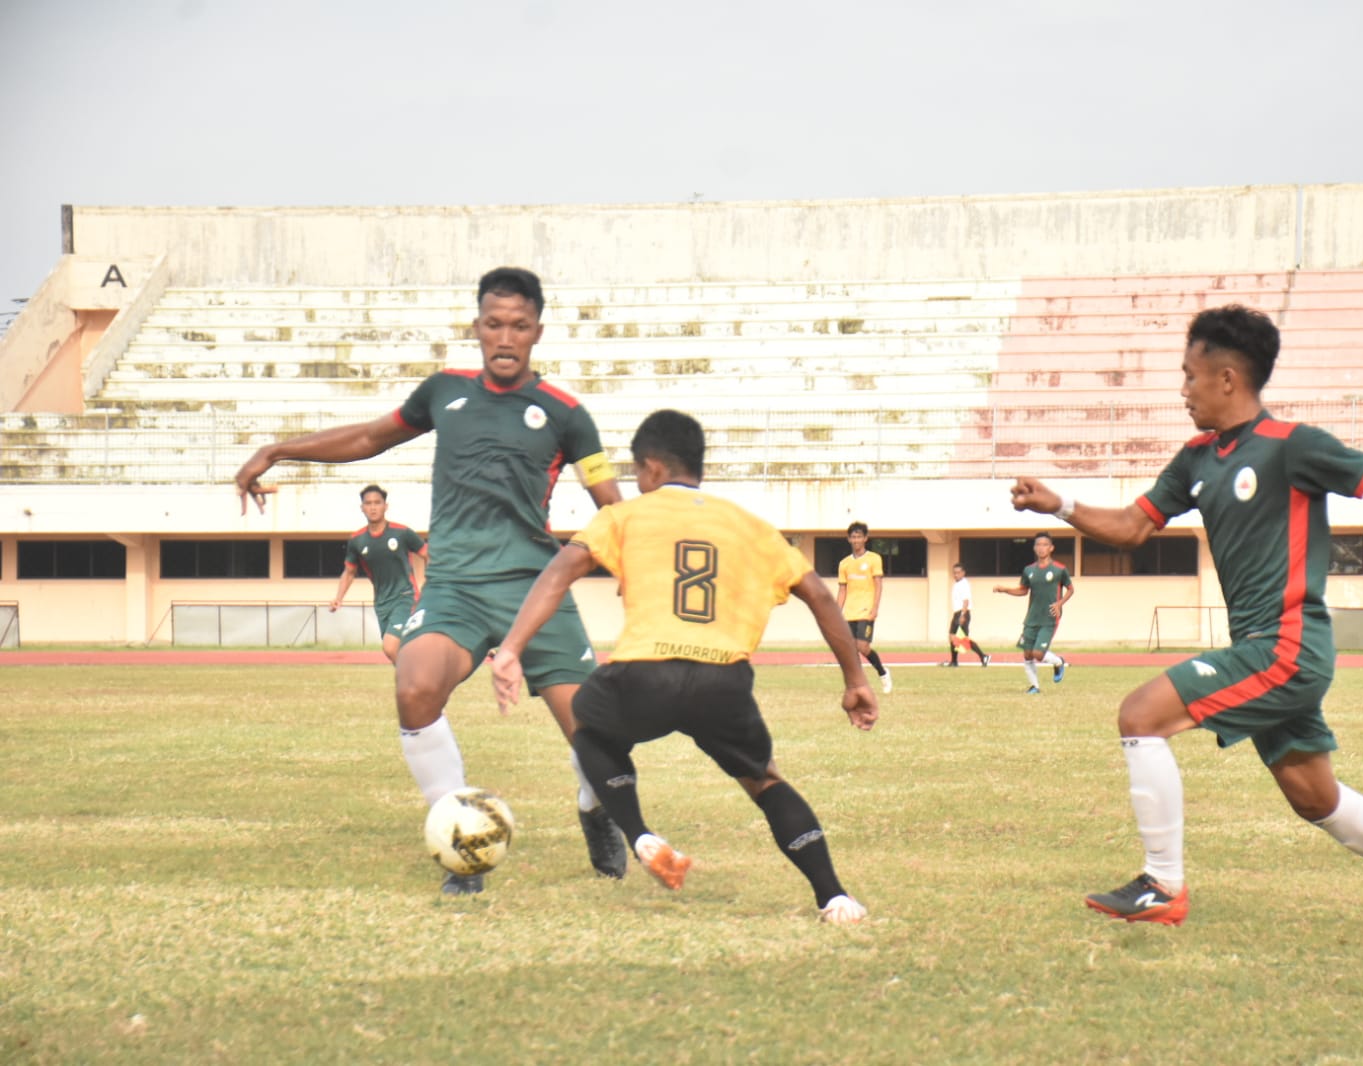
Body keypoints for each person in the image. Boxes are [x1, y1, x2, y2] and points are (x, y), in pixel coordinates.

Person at [1010, 304, 1363, 933]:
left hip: (1288, 647)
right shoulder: (1196, 459)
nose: (1182, 390)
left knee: (1140, 715)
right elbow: (1131, 527)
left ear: (1227, 378)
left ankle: (1162, 885)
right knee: (1314, 797)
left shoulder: (1294, 447)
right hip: (1267, 650)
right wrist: (1062, 503)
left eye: (1189, 376)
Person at [235, 266, 631, 894]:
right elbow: (369, 436)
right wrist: (279, 449)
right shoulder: (443, 392)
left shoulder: (565, 414)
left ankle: (593, 808)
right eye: (494, 324)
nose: (505, 337)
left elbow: (610, 498)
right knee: (415, 686)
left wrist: (637, 562)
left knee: (597, 737)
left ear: (537, 332)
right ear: (477, 328)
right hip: (455, 588)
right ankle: (461, 838)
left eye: (519, 326)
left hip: (535, 588)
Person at [489, 410, 879, 923]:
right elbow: (819, 596)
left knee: (586, 724)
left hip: (644, 670)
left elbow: (561, 569)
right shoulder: (750, 525)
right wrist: (855, 679)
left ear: (650, 468)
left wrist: (513, 646)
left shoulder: (627, 516)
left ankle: (641, 836)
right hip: (724, 679)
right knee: (765, 781)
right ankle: (835, 897)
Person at [329, 484, 427, 663]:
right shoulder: (357, 540)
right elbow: (349, 572)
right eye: (368, 503)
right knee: (400, 649)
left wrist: (432, 583)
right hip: (382, 603)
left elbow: (429, 555)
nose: (373, 507)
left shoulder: (402, 533)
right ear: (362, 508)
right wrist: (339, 598)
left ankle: (418, 682)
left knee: (390, 647)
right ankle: (422, 679)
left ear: (385, 506)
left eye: (377, 503)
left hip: (405, 596)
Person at [992, 532, 1071, 692]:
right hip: (1032, 618)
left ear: (1051, 548)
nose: (1041, 548)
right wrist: (1005, 590)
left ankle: (1058, 662)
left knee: (1038, 653)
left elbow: (1070, 589)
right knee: (1028, 654)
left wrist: (1060, 603)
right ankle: (1035, 686)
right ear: (1035, 548)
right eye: (1038, 545)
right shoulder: (1029, 570)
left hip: (1049, 618)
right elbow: (1023, 590)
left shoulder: (1059, 569)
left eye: (1044, 545)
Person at [836, 521, 891, 693]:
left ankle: (883, 673)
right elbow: (842, 589)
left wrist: (875, 608)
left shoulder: (874, 559)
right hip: (849, 612)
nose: (856, 540)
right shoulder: (844, 563)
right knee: (851, 650)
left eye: (859, 536)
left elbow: (878, 584)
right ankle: (859, 685)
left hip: (866, 610)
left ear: (865, 539)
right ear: (849, 539)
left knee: (863, 647)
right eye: (853, 537)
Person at [941, 563, 990, 667]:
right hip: (957, 613)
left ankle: (983, 656)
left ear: (963, 573)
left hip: (962, 613)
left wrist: (963, 615)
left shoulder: (964, 584)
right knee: (953, 637)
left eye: (958, 573)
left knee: (963, 639)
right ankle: (954, 661)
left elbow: (966, 601)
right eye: (954, 573)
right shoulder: (956, 584)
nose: (956, 575)